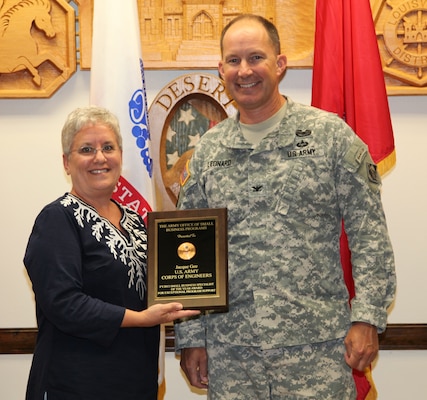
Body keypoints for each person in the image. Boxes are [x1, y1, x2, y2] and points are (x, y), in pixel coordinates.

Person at [174, 14, 396, 400]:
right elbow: (192, 252)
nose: (244, 70)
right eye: (233, 60)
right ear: (221, 69)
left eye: (256, 57)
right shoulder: (209, 150)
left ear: (280, 64)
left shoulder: (329, 136)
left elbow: (369, 236)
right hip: (232, 355)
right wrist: (192, 337)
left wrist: (367, 317)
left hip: (317, 352)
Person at [24, 106, 200, 400]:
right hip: (75, 385)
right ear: (67, 162)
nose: (99, 157)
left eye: (108, 147)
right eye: (86, 149)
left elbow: (165, 284)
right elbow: (64, 304)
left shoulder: (137, 222)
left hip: (134, 382)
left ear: (120, 155)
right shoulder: (58, 219)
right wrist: (140, 318)